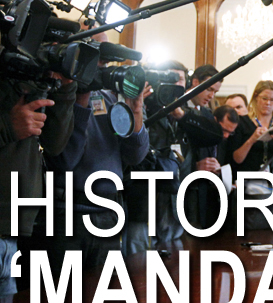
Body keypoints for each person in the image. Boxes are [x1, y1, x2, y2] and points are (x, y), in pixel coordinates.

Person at [33, 31, 150, 276]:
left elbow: (135, 156)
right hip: (68, 216)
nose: (102, 63)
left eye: (106, 58)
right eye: (96, 55)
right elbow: (64, 159)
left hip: (108, 215)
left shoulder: (109, 98)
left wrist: (136, 110)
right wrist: (81, 95)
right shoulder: (55, 95)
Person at [0, 73, 76, 294]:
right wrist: (6, 126)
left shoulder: (34, 71)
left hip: (12, 231)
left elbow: (55, 145)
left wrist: (66, 88)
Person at [123, 60, 189, 255]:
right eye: (170, 78)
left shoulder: (184, 111)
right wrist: (138, 105)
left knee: (172, 252)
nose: (175, 84)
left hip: (170, 194)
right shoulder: (146, 102)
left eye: (180, 80)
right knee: (138, 255)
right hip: (141, 194)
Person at [228, 80, 273, 229]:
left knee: (269, 229)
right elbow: (236, 159)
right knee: (244, 229)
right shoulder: (242, 123)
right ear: (256, 98)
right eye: (264, 98)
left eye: (272, 100)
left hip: (272, 185)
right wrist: (252, 139)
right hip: (245, 185)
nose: (268, 103)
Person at [172, 64, 224, 228]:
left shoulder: (207, 113)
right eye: (209, 89)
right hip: (179, 186)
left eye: (215, 91)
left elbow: (214, 138)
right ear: (194, 81)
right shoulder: (176, 107)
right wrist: (194, 166)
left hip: (203, 191)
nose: (211, 95)